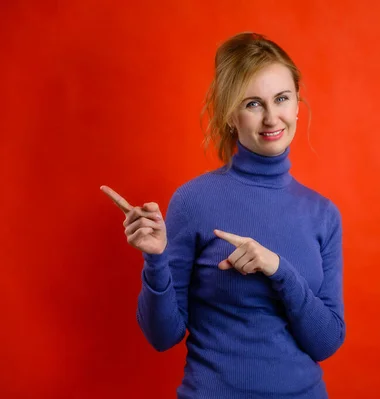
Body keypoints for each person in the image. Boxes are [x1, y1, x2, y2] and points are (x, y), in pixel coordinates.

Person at [101, 32, 345, 398]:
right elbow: (162, 336)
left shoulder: (323, 214)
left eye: (281, 98)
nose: (271, 117)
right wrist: (155, 261)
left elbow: (326, 342)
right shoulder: (194, 201)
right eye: (252, 104)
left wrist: (278, 269)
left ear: (297, 103)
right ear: (231, 114)